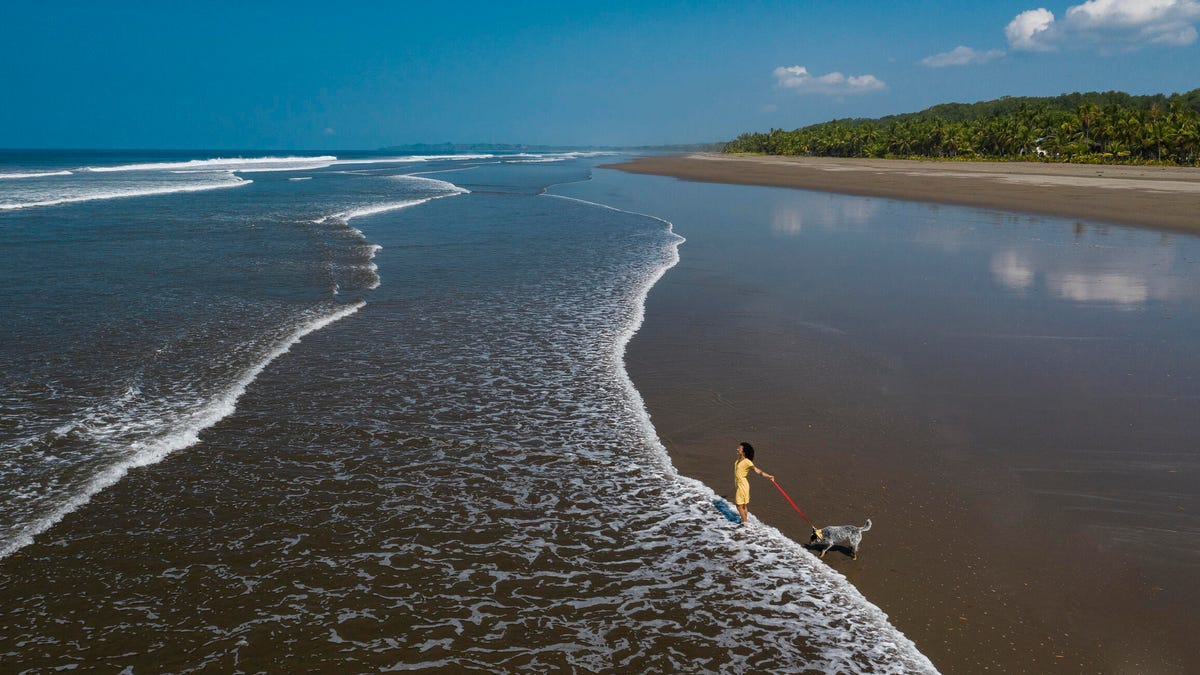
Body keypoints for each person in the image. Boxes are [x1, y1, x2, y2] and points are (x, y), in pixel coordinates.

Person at [733, 441, 774, 526]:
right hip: (739, 484)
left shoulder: (748, 462)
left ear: (744, 452)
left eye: (739, 448)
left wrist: (768, 476)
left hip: (742, 485)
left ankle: (745, 524)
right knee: (743, 505)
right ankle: (745, 522)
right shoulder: (738, 459)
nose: (737, 449)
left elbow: (757, 470)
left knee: (739, 505)